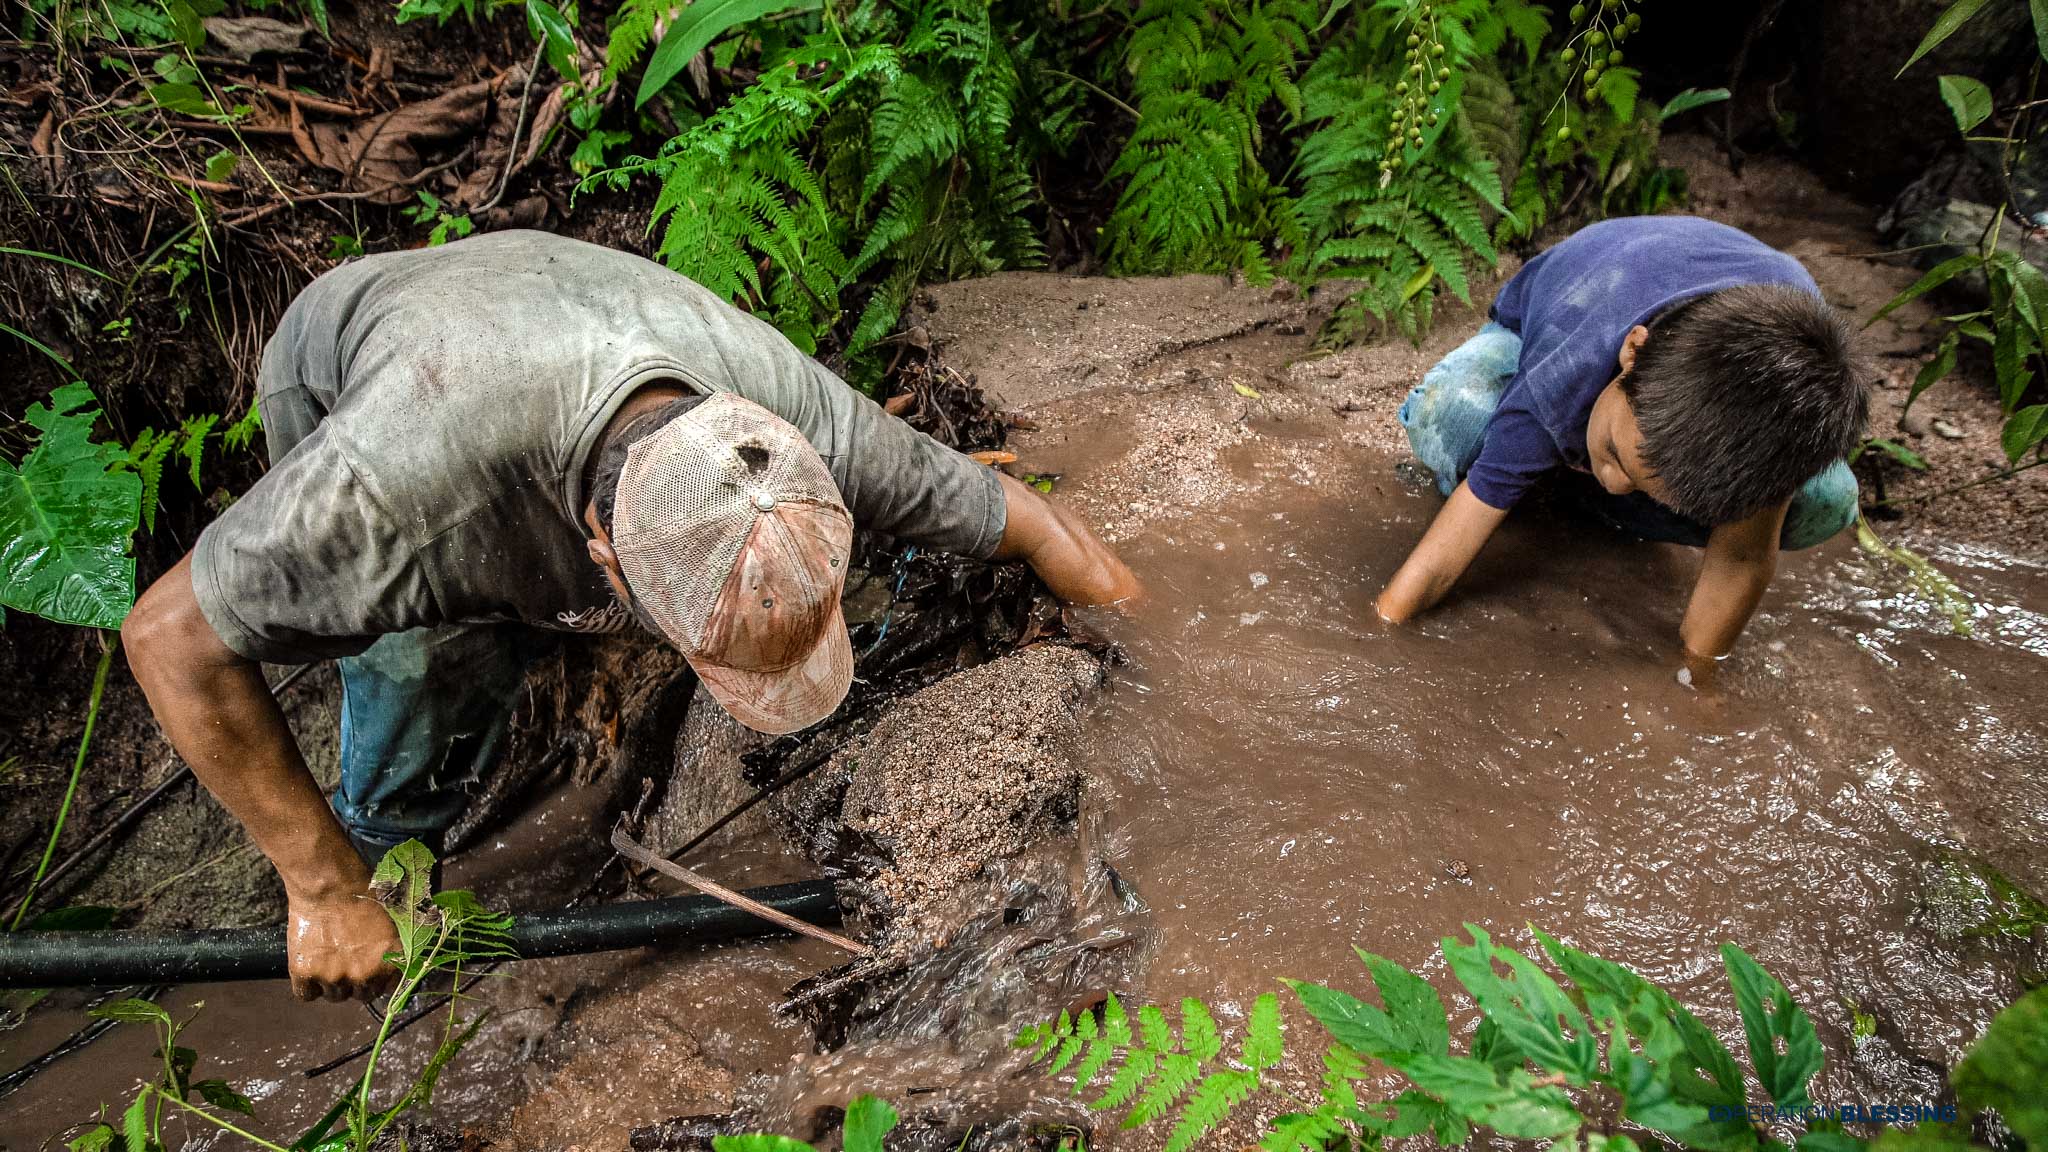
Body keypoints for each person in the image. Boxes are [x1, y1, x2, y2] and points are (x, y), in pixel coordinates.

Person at [120, 230, 1137, 1003]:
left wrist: (1152, 659)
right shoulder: (394, 500)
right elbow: (168, 640)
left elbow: (1039, 528)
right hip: (365, 353)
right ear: (604, 557)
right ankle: (387, 855)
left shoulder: (801, 426)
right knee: (423, 674)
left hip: (558, 308)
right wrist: (325, 891)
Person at [1375, 216, 1867, 680]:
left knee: (1828, 499)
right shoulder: (1569, 361)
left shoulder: (1778, 430)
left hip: (1706, 391)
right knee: (1458, 415)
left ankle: (1575, 480)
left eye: (1640, 484)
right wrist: (1382, 632)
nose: (1612, 483)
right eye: (1614, 456)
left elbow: (1742, 558)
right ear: (1633, 352)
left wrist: (1696, 682)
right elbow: (1447, 545)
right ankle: (1545, 475)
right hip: (1552, 330)